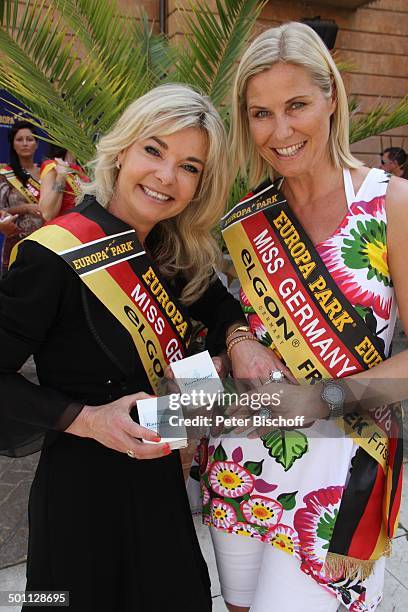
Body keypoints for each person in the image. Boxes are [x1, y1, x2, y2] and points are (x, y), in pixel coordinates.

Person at [0, 84, 251, 611]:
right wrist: (88, 420)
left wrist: (232, 347)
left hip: (160, 488)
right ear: (121, 149)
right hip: (78, 498)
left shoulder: (171, 248)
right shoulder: (54, 253)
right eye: (153, 150)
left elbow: (220, 313)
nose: (166, 177)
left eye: (190, 166)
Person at [201, 22, 408, 612]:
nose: (281, 131)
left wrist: (324, 398)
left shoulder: (392, 203)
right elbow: (224, 317)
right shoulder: (244, 217)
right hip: (244, 457)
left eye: (297, 105)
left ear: (332, 99)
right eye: (261, 113)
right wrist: (237, 340)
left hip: (341, 470)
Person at [0, 120, 43, 275]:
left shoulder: (48, 172)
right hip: (16, 245)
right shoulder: (5, 175)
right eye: (19, 139)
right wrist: (25, 208)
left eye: (30, 139)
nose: (25, 143)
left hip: (45, 243)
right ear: (13, 144)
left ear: (37, 144)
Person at [39, 145, 89, 221]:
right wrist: (61, 177)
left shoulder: (81, 169)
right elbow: (47, 214)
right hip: (66, 227)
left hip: (86, 224)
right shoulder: (53, 166)